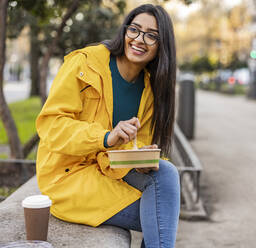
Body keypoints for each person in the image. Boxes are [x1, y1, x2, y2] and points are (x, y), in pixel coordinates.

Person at [35, 4, 180, 248]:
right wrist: (105, 137)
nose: (139, 40)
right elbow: (51, 125)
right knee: (161, 216)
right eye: (134, 30)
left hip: (108, 172)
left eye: (151, 35)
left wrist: (141, 157)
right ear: (124, 31)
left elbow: (132, 145)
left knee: (166, 174)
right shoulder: (85, 63)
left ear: (161, 46)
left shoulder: (150, 89)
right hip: (68, 177)